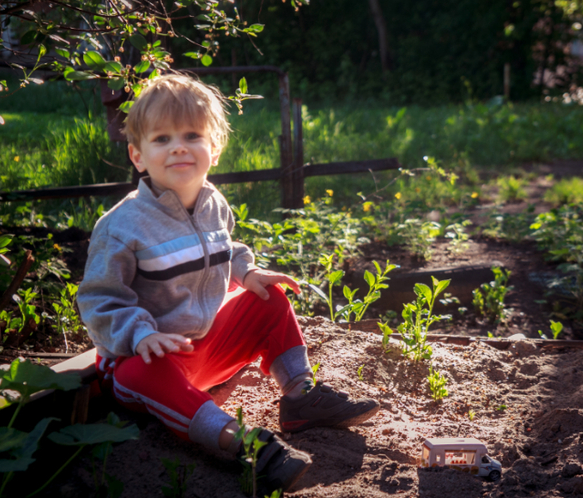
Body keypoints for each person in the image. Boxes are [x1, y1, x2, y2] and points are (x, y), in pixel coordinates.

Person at [77, 73, 379, 494]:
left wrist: (247, 273)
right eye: (162, 139)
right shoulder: (123, 226)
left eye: (192, 135)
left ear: (214, 149)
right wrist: (140, 334)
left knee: (268, 295)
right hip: (145, 359)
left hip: (202, 349)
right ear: (137, 155)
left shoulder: (212, 202)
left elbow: (225, 248)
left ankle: (299, 396)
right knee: (143, 373)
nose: (179, 146)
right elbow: (98, 300)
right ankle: (247, 445)